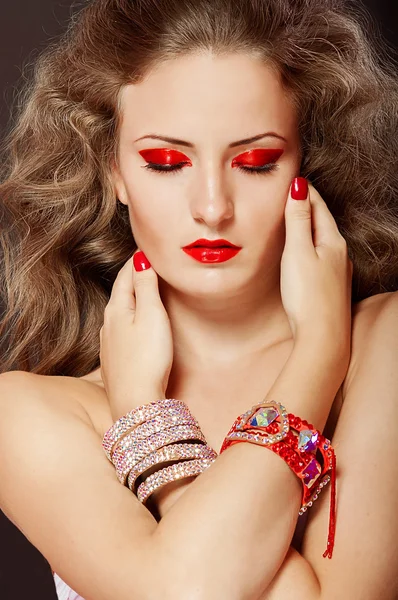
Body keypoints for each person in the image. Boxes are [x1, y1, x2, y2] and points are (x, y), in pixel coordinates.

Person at [0, 0, 397, 598]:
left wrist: (148, 435)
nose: (212, 207)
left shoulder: (386, 344)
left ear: (304, 161)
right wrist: (318, 357)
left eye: (256, 162)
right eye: (166, 162)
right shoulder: (25, 415)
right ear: (113, 170)